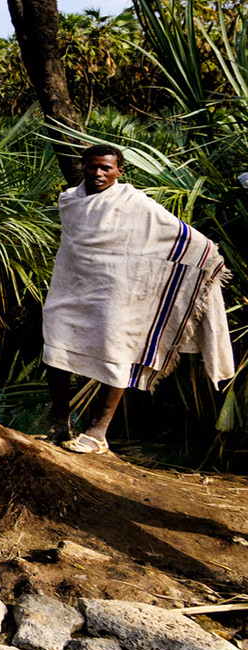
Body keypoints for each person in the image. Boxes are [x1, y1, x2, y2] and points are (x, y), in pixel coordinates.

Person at [43, 144, 233, 453]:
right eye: (92, 166)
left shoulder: (135, 203)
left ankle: (97, 433)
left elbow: (183, 237)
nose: (98, 173)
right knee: (54, 351)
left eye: (106, 167)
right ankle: (60, 424)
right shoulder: (69, 201)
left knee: (116, 351)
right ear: (83, 166)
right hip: (72, 286)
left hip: (116, 292)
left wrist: (207, 257)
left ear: (119, 171)